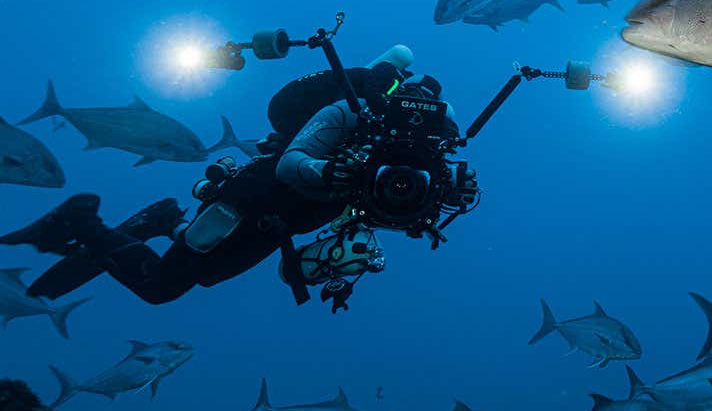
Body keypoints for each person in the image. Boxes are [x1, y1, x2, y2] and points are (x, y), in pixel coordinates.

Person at [1, 54, 449, 308]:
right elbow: (289, 165)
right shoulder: (350, 116)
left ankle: (164, 221)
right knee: (162, 287)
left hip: (281, 226)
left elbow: (384, 206)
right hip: (253, 198)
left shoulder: (406, 158)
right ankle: (84, 219)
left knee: (204, 276)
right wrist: (329, 172)